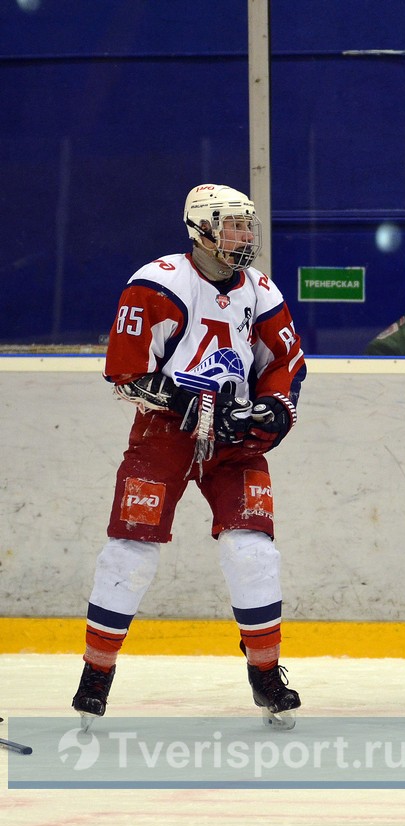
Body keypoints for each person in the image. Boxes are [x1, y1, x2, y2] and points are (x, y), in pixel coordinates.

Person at [71, 184, 307, 730]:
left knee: (253, 551)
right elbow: (125, 372)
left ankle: (266, 673)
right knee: (130, 550)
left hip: (234, 440)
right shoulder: (157, 283)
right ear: (201, 229)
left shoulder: (262, 290)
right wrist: (191, 398)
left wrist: (273, 407)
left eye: (248, 225)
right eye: (233, 225)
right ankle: (96, 675)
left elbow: (285, 363)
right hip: (164, 435)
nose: (245, 236)